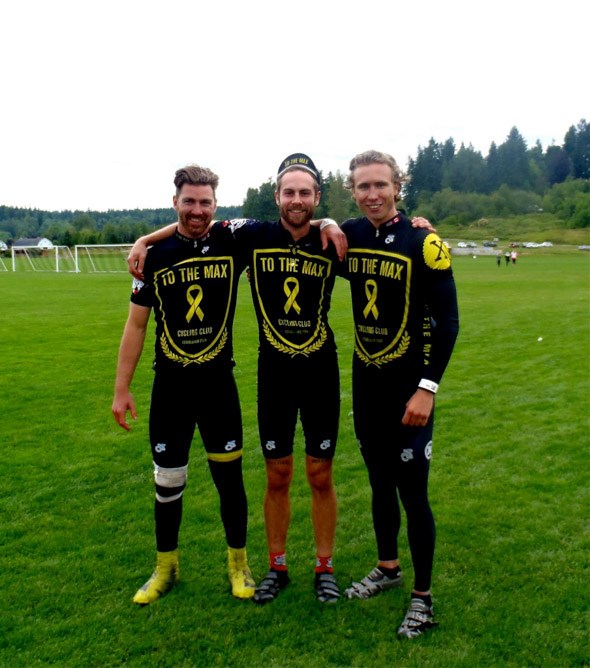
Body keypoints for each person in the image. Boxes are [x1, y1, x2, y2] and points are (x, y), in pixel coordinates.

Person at [127, 154, 345, 605]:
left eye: (306, 193)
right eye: (289, 192)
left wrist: (411, 224)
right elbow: (199, 224)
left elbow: (383, 235)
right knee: (277, 473)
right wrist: (146, 237)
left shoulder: (333, 240)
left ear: (317, 197)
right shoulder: (252, 235)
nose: (297, 200)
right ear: (276, 196)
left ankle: (321, 567)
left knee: (320, 474)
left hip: (320, 371)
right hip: (272, 376)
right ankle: (272, 566)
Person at [112, 165, 256, 605]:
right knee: (168, 482)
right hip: (170, 390)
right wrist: (122, 389)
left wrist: (327, 221)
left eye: (205, 202)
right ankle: (165, 568)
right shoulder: (152, 257)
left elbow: (293, 223)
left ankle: (238, 564)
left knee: (230, 482)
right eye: (189, 201)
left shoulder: (234, 240)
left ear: (217, 205)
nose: (197, 210)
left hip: (218, 387)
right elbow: (136, 326)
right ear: (175, 202)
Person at [340, 150, 459, 639]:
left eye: (380, 185)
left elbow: (448, 322)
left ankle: (423, 599)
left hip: (411, 392)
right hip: (368, 387)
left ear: (397, 186)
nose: (372, 194)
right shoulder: (345, 236)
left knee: (414, 494)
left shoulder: (424, 242)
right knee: (379, 485)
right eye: (363, 187)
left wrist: (427, 389)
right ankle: (388, 569)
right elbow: (299, 231)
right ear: (353, 191)